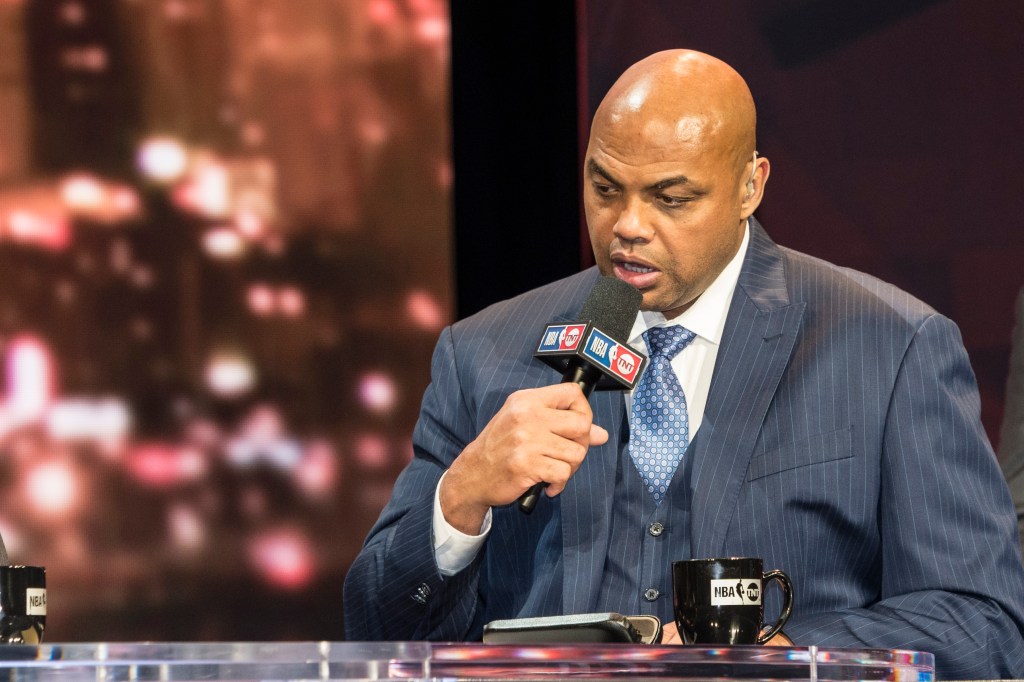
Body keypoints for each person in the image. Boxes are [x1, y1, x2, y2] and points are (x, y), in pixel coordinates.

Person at [343, 49, 1024, 679]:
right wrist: (458, 502)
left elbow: (981, 624)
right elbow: (377, 629)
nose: (626, 227)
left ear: (750, 187)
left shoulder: (891, 346)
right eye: (604, 188)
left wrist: (794, 658)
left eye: (670, 198)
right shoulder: (484, 352)